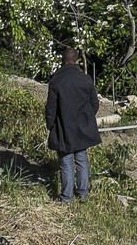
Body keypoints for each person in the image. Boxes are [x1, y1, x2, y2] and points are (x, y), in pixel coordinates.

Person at [45, 47, 101, 201]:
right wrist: (86, 119)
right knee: (82, 158)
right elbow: (95, 104)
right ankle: (83, 193)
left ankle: (66, 197)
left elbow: (51, 108)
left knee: (66, 160)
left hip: (63, 126)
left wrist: (50, 125)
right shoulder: (86, 79)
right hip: (82, 126)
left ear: (63, 61)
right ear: (76, 60)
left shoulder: (56, 81)